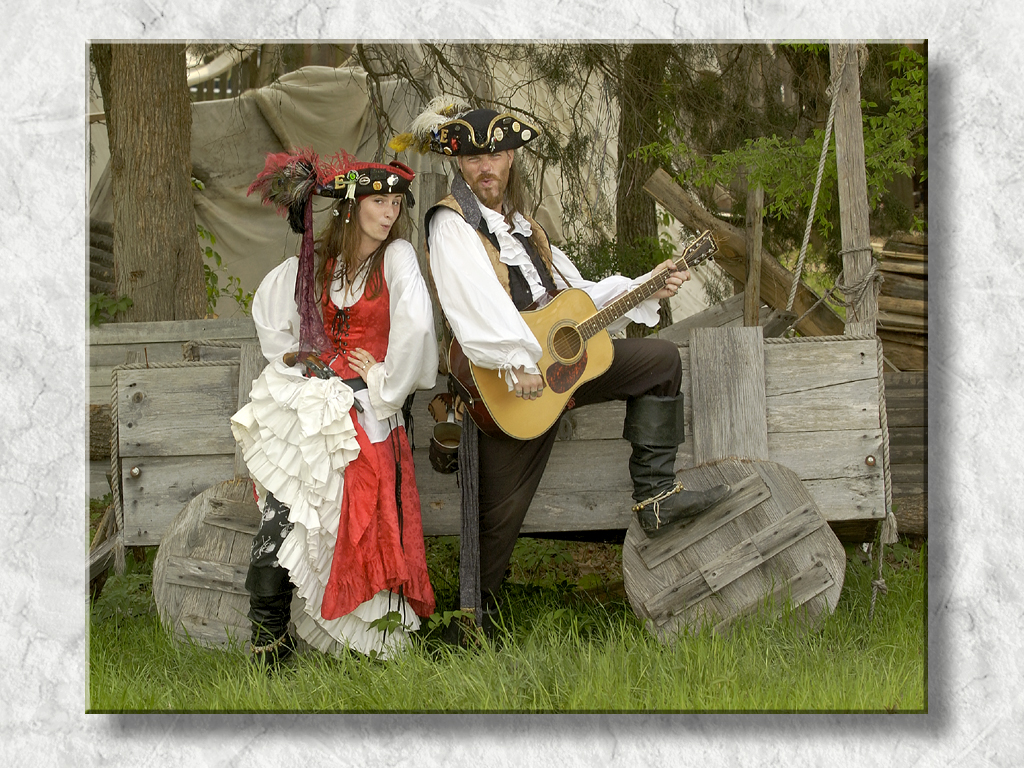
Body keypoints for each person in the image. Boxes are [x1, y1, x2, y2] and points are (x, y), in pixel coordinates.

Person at [392, 101, 728, 634]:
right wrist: (516, 360)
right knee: (497, 527)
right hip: (507, 384)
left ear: (511, 160)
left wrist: (646, 286)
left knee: (661, 361)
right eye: (476, 157)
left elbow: (577, 299)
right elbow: (473, 302)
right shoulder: (450, 224)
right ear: (459, 163)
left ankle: (656, 498)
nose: (487, 167)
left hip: (557, 371)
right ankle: (471, 626)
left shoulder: (526, 229)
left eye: (497, 154)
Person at [231, 149, 438, 666]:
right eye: (379, 201)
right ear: (352, 205)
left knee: (330, 503)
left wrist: (383, 381)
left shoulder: (397, 257)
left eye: (396, 203)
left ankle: (343, 637)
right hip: (313, 404)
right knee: (283, 510)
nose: (390, 213)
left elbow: (415, 327)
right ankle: (268, 641)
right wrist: (302, 359)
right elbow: (276, 325)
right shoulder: (322, 264)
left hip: (367, 412)